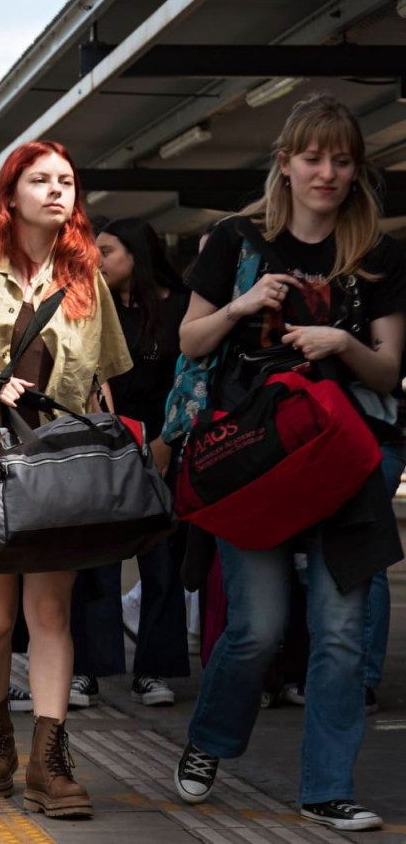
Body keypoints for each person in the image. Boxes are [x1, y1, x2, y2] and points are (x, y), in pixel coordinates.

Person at [173, 93, 406, 832]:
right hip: (259, 459)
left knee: (340, 633)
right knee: (259, 628)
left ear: (356, 170)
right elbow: (190, 342)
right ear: (285, 163)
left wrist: (344, 344)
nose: (327, 173)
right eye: (313, 157)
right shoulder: (235, 240)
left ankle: (326, 787)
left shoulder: (379, 256)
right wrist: (242, 308)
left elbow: (388, 373)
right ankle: (210, 740)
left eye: (341, 160)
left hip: (344, 463)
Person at [0, 140, 131, 819]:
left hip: (54, 463)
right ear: (10, 194)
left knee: (49, 614)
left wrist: (114, 453)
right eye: (39, 179)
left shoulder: (85, 276)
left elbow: (98, 382)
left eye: (66, 180)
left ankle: (50, 759)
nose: (55, 190)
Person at [68, 218, 191, 708]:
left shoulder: (179, 308)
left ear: (136, 254)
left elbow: (191, 381)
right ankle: (87, 669)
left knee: (162, 563)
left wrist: (166, 443)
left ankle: (154, 670)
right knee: (94, 563)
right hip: (105, 447)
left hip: (164, 448)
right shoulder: (90, 307)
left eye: (108, 250)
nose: (96, 258)